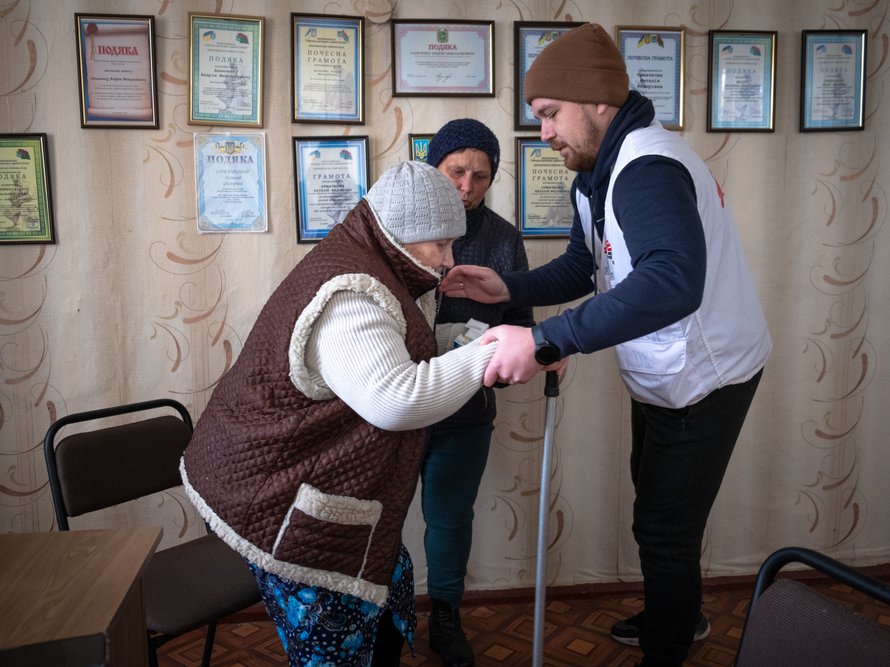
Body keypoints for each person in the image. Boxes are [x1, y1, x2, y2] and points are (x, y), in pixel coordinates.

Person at [440, 23, 772, 667]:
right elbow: (584, 266)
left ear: (598, 101)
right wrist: (502, 286)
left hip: (706, 374)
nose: (544, 132)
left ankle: (669, 645)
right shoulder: (597, 174)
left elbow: (673, 280)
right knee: (653, 506)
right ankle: (673, 611)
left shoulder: (646, 167)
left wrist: (545, 338)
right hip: (662, 367)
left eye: (549, 114)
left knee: (663, 529)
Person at [180, 161, 500, 666]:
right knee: (336, 644)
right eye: (440, 245)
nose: (447, 259)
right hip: (276, 492)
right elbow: (396, 398)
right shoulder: (354, 293)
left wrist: (460, 345)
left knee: (388, 588)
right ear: (400, 236)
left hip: (290, 476)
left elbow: (379, 357)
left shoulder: (362, 261)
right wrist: (492, 350)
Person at [422, 119, 534, 667]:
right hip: (393, 403)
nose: (466, 186)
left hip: (466, 406)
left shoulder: (504, 239)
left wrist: (505, 357)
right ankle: (384, 611)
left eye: (481, 176)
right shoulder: (400, 227)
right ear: (433, 167)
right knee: (377, 514)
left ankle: (444, 615)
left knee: (449, 517)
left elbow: (520, 320)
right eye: (456, 171)